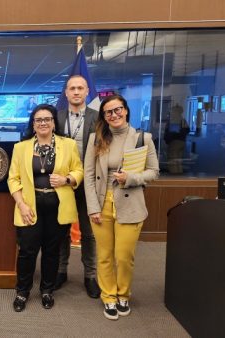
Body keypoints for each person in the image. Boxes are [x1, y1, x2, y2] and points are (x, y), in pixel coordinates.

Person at [84, 94, 159, 320]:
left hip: (130, 204)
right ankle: (108, 296)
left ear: (126, 110)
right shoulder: (96, 139)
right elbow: (88, 175)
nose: (114, 115)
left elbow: (154, 172)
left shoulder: (142, 138)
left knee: (124, 256)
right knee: (105, 255)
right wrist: (92, 207)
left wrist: (131, 178)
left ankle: (123, 293)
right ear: (104, 117)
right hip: (101, 202)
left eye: (118, 110)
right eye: (108, 112)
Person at [7, 104, 83, 312]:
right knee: (27, 252)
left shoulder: (68, 145)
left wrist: (67, 179)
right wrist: (21, 204)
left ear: (53, 123)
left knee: (52, 251)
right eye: (38, 120)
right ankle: (22, 292)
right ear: (33, 124)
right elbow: (13, 179)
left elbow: (78, 169)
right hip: (29, 207)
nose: (43, 123)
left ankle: (47, 291)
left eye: (47, 119)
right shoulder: (20, 148)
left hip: (57, 207)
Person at [54, 74, 100, 299]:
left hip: (88, 182)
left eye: (80, 88)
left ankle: (90, 276)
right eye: (72, 88)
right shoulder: (57, 117)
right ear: (66, 93)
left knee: (88, 232)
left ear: (86, 91)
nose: (76, 92)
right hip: (62, 182)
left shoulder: (98, 117)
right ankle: (61, 271)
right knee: (62, 229)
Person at [164, 105, 189, 174]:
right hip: (182, 142)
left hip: (174, 143)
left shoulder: (174, 120)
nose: (171, 112)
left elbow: (170, 132)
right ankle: (179, 176)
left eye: (173, 111)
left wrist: (168, 138)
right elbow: (187, 130)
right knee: (178, 161)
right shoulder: (183, 120)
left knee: (173, 161)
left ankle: (174, 177)